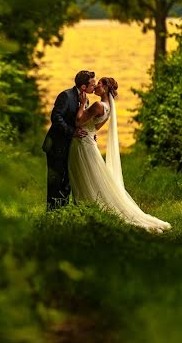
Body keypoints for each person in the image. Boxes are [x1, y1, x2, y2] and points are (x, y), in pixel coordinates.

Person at [69, 77, 172, 233]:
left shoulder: (97, 105)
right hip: (89, 141)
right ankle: (84, 212)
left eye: (99, 84)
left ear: (105, 88)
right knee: (91, 177)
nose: (96, 86)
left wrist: (82, 104)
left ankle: (84, 212)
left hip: (83, 143)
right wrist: (89, 132)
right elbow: (95, 127)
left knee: (85, 176)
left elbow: (78, 122)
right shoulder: (109, 107)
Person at [42, 70, 96, 210]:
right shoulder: (66, 96)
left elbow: (82, 120)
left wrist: (90, 133)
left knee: (68, 180)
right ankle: (53, 212)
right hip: (57, 145)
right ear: (83, 87)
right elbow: (56, 117)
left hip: (72, 147)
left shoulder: (86, 100)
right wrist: (72, 132)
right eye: (92, 84)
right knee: (56, 180)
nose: (94, 87)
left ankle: (64, 210)